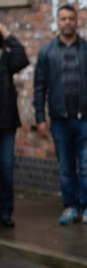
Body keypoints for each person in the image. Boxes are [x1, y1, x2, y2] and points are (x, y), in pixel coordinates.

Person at [33, 4, 87, 227]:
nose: (67, 22)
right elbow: (39, 88)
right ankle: (70, 206)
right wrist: (40, 117)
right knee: (66, 167)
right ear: (58, 22)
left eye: (71, 19)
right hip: (59, 120)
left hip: (85, 119)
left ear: (77, 22)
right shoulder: (47, 53)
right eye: (63, 19)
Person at [0, 22, 29, 228]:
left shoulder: (6, 58)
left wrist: (5, 32)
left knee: (6, 169)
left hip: (6, 124)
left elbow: (22, 57)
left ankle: (5, 213)